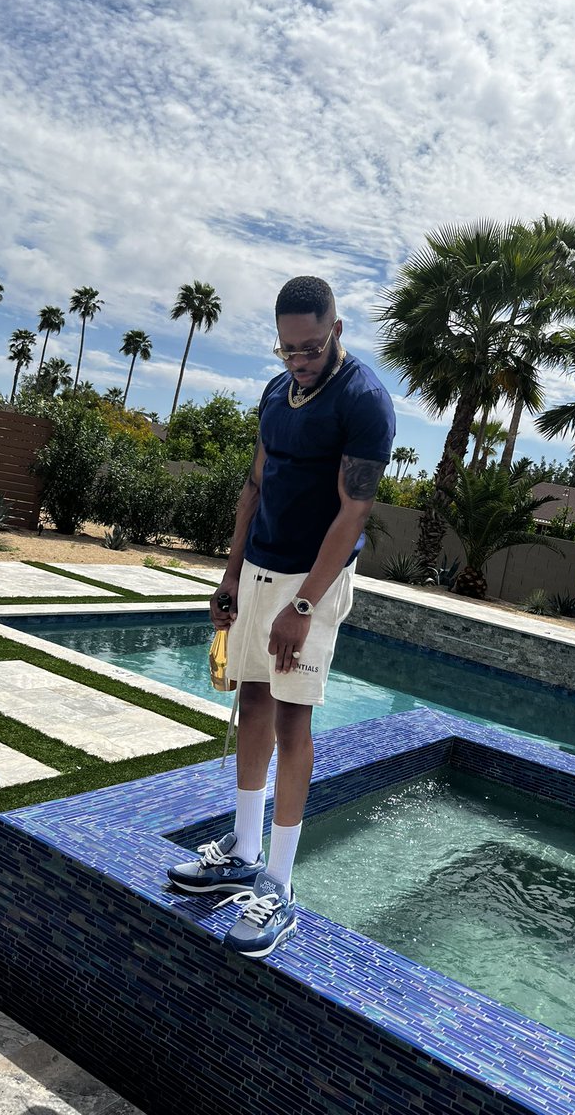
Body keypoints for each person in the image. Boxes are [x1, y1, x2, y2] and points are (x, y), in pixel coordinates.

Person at [169, 275, 395, 958]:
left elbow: (353, 511)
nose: (299, 359)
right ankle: (243, 850)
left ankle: (279, 885)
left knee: (294, 721)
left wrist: (302, 606)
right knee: (253, 704)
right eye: (288, 348)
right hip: (260, 569)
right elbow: (255, 484)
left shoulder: (364, 401)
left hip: (312, 581)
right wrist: (231, 574)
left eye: (311, 347)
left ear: (337, 330)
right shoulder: (275, 393)